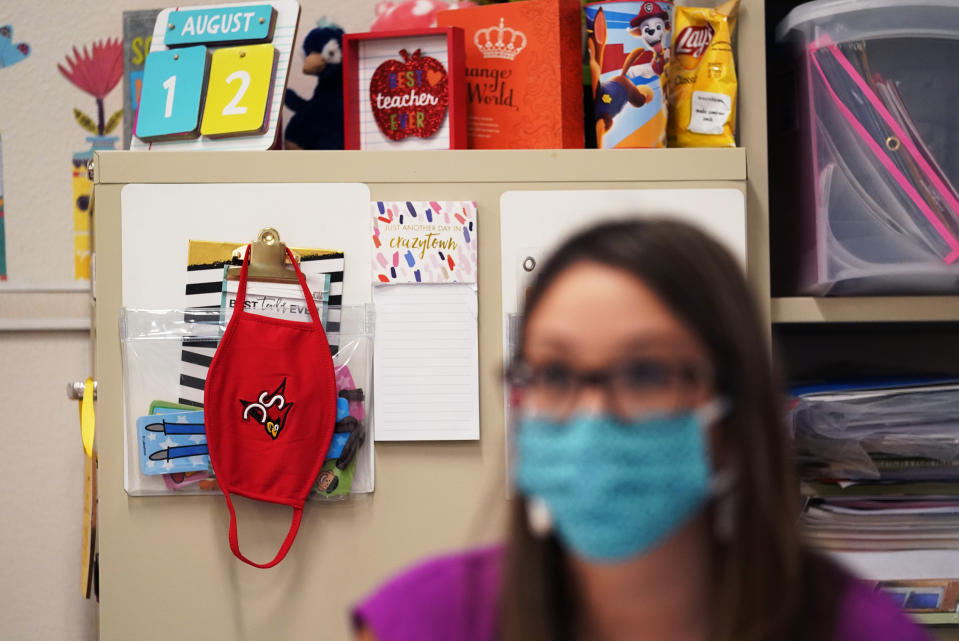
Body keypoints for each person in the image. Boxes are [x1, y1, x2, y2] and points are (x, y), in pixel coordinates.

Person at [352, 219, 931, 641]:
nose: (593, 415)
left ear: (734, 409)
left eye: (647, 373)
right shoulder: (424, 620)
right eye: (555, 373)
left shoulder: (856, 630)